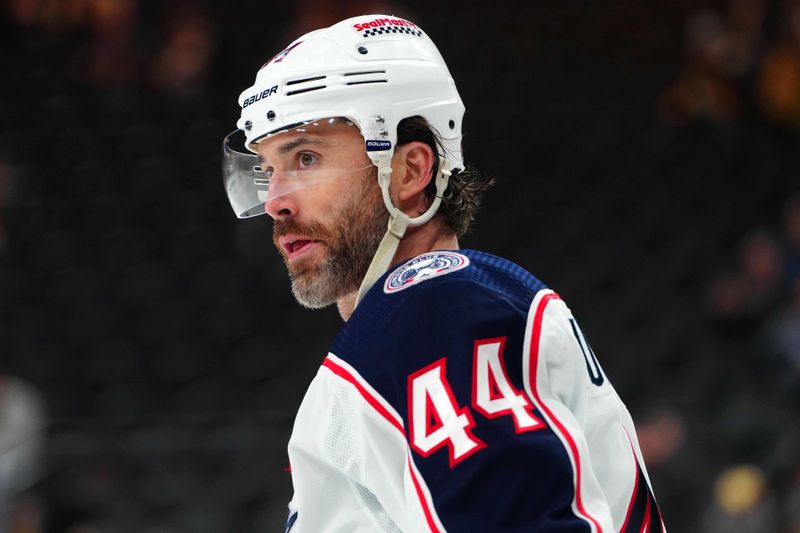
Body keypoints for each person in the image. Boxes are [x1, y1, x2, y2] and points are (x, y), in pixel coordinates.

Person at [222, 14, 665, 532]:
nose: (275, 200)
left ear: (411, 170)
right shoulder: (435, 311)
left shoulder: (431, 311)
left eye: (306, 158)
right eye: (269, 169)